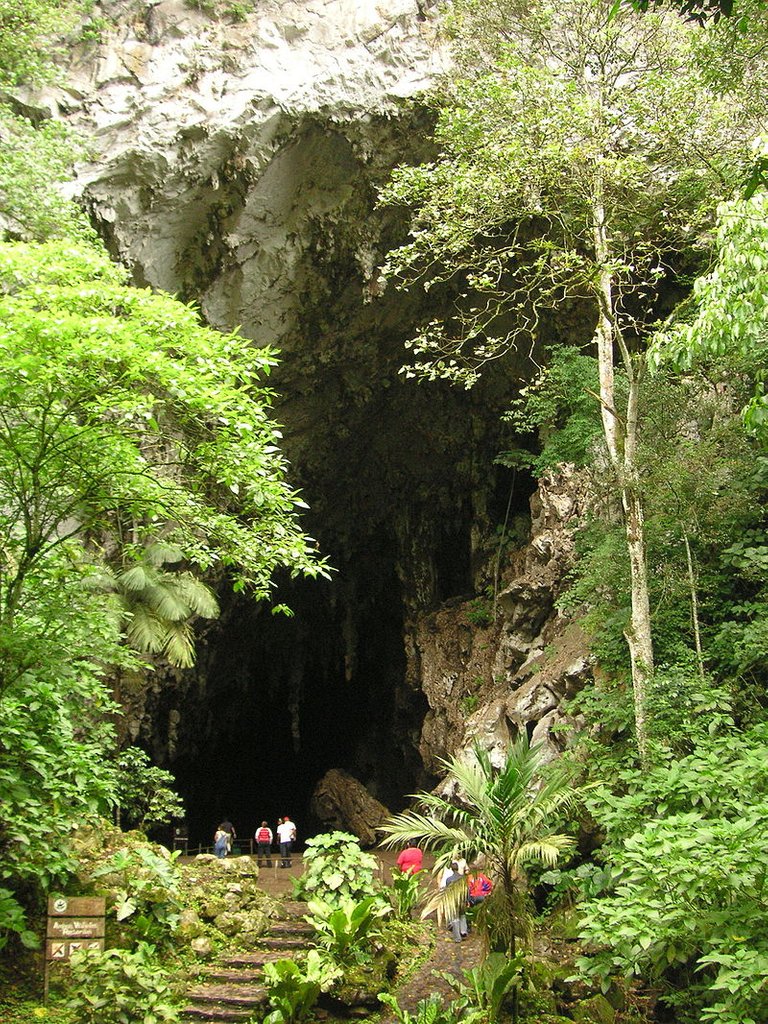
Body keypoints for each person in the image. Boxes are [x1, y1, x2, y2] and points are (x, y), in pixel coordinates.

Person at [443, 861, 468, 943]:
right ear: (458, 868)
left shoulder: (449, 879)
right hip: (462, 899)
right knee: (462, 915)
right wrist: (467, 900)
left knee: (455, 918)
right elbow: (466, 890)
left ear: (451, 869)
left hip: (453, 900)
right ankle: (463, 931)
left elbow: (447, 891)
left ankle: (457, 938)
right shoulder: (463, 878)